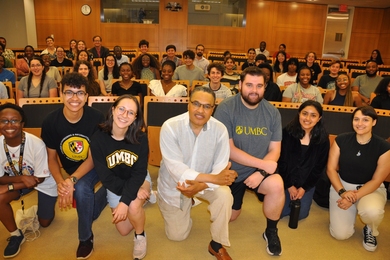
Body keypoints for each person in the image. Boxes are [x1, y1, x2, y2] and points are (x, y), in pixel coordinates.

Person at [157, 86, 237, 260]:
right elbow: (175, 168)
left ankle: (216, 244)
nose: (201, 110)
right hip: (175, 186)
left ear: (213, 109)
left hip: (205, 184)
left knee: (225, 195)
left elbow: (220, 167)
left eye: (207, 106)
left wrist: (201, 185)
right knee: (177, 236)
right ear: (188, 104)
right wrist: (214, 178)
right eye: (196, 104)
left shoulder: (220, 130)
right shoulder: (170, 127)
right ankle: (171, 201)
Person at [214, 67, 284, 256]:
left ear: (265, 87)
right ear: (240, 85)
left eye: (259, 86)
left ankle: (271, 231)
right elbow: (230, 150)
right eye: (249, 85)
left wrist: (260, 173)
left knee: (277, 185)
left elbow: (274, 150)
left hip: (257, 173)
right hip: (231, 172)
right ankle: (237, 202)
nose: (254, 90)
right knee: (230, 217)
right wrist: (263, 166)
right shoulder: (226, 108)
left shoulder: (272, 112)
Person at [41, 72, 107, 259]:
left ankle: (85, 238)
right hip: (72, 171)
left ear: (87, 97)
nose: (74, 98)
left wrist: (72, 180)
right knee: (87, 206)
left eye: (80, 93)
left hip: (98, 164)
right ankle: (109, 193)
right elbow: (51, 158)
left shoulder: (96, 117)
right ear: (61, 94)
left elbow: (94, 158)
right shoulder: (50, 121)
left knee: (82, 188)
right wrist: (62, 183)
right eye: (69, 92)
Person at [90, 95, 150, 260]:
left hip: (138, 178)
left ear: (135, 118)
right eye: (121, 109)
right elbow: (105, 177)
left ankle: (140, 235)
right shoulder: (98, 139)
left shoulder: (141, 138)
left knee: (132, 207)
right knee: (123, 230)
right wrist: (128, 195)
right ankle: (145, 196)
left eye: (131, 112)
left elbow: (139, 172)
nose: (124, 115)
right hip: (114, 182)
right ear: (113, 110)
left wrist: (125, 201)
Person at [327, 106, 390, 252]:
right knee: (341, 235)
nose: (360, 123)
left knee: (372, 212)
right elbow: (330, 169)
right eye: (356, 119)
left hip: (370, 189)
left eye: (365, 120)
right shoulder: (341, 140)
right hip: (342, 186)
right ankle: (353, 210)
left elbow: (376, 180)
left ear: (374, 122)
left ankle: (370, 228)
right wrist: (343, 193)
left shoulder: (383, 147)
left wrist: (352, 198)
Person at [0, 103, 57, 258]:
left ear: (22, 124)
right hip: (19, 181)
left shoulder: (36, 143)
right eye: (4, 121)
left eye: (14, 120)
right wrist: (19, 180)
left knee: (45, 222)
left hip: (43, 182)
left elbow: (39, 178)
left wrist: (10, 186)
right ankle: (16, 235)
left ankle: (44, 207)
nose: (9, 125)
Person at [278, 100, 329, 221]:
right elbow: (281, 161)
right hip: (285, 180)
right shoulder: (287, 133)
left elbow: (319, 168)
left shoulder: (323, 139)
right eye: (304, 113)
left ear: (319, 118)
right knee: (279, 212)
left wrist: (304, 188)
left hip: (306, 183)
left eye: (313, 115)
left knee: (300, 214)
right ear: (299, 114)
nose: (308, 118)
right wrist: (289, 185)